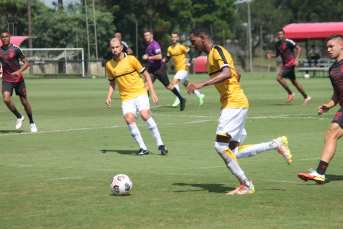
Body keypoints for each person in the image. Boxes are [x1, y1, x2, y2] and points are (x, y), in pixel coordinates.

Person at [186, 26, 292, 195]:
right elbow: (236, 75)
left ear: (202, 38)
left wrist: (202, 83)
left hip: (233, 104)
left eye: (193, 42)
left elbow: (228, 73)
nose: (193, 46)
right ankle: (276, 144)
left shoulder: (217, 51)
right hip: (234, 103)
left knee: (220, 147)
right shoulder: (212, 56)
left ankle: (245, 183)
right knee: (232, 151)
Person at [106, 38, 168, 156]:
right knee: (129, 118)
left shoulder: (132, 59)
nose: (115, 49)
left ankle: (160, 144)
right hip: (126, 97)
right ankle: (143, 148)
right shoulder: (109, 65)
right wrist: (109, 96)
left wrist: (153, 92)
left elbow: (146, 75)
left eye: (116, 47)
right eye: (112, 48)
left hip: (140, 92)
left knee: (145, 115)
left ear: (121, 47)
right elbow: (112, 83)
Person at [298, 34, 343, 184]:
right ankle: (320, 173)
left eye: (331, 46)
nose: (328, 50)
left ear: (341, 46)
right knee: (330, 136)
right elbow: (337, 93)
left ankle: (320, 173)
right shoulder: (332, 69)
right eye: (327, 47)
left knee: (331, 134)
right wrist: (330, 104)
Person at [0, 31, 37, 132]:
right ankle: (19, 116)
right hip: (7, 79)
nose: (5, 38)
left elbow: (26, 63)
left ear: (9, 37)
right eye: (3, 37)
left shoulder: (16, 49)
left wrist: (19, 71)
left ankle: (32, 122)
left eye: (7, 36)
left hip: (18, 79)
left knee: (24, 102)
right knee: (6, 99)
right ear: (1, 38)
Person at [142, 30, 186, 111]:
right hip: (151, 70)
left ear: (152, 35)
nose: (146, 37)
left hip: (159, 69)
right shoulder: (148, 45)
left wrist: (148, 58)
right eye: (145, 35)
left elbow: (159, 56)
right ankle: (146, 107)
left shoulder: (155, 44)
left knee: (168, 86)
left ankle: (181, 99)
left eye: (147, 35)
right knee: (145, 86)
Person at [267, 30, 311, 105]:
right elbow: (277, 54)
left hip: (290, 63)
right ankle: (306, 97)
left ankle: (290, 93)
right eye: (278, 34)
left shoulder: (288, 41)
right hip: (285, 64)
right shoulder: (277, 44)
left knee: (279, 78)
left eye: (281, 34)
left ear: (284, 35)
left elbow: (299, 48)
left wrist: (296, 60)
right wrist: (272, 55)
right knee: (294, 82)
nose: (279, 36)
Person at [163, 32, 205, 107]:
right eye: (172, 37)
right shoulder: (169, 48)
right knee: (187, 85)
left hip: (183, 69)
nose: (174, 38)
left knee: (174, 82)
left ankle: (178, 99)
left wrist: (189, 62)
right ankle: (200, 95)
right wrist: (163, 60)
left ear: (178, 38)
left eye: (175, 37)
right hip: (178, 70)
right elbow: (168, 58)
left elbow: (191, 52)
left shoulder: (181, 47)